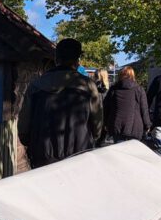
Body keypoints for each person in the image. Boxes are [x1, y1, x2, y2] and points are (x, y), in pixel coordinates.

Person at [17, 38, 104, 168]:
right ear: (77, 60)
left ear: (57, 58)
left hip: (43, 156)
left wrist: (30, 142)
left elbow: (24, 125)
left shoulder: (36, 85)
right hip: (79, 154)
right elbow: (97, 126)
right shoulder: (88, 86)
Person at [104, 65, 151, 143]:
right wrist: (147, 125)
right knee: (132, 153)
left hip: (116, 126)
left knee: (119, 152)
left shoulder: (113, 89)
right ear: (132, 75)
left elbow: (106, 107)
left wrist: (105, 123)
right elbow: (144, 109)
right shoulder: (139, 89)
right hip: (135, 127)